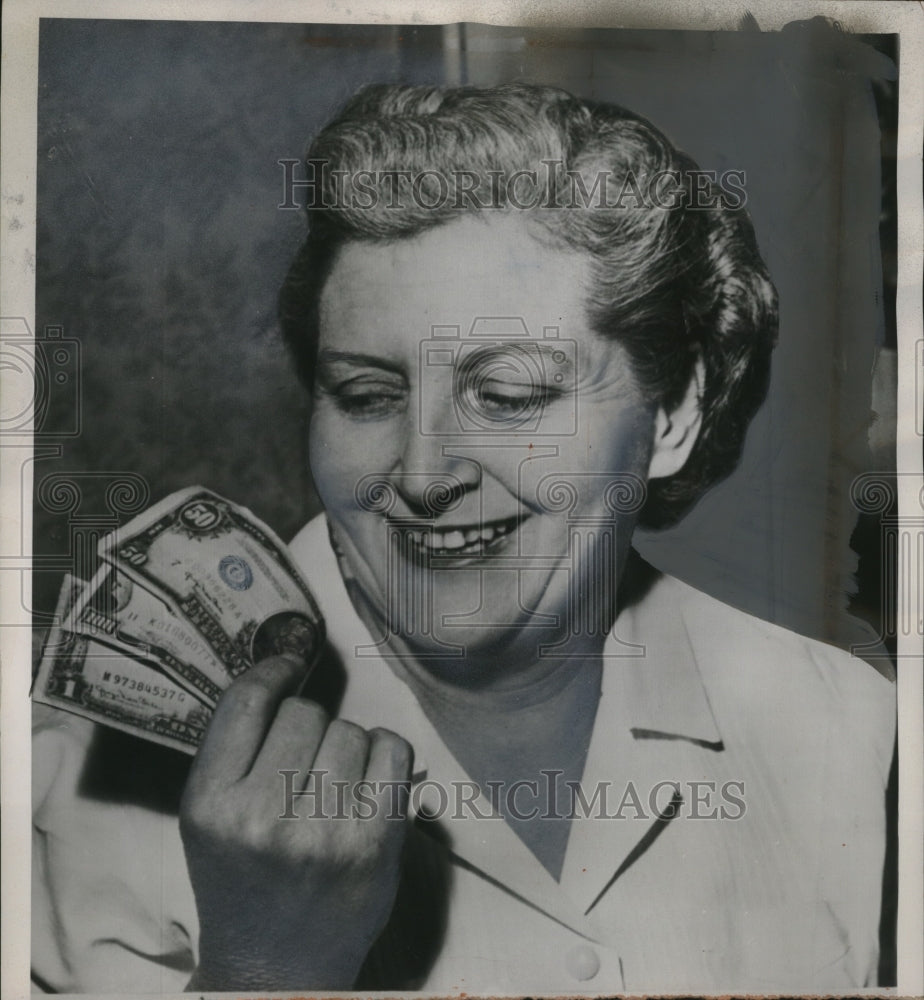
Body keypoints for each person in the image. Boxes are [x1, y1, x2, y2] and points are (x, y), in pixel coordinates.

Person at [31, 83, 895, 995]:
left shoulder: (847, 731)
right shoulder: (89, 789)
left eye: (510, 395)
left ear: (673, 411)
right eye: (368, 396)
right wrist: (267, 970)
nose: (423, 473)